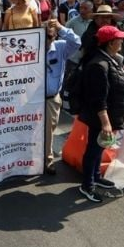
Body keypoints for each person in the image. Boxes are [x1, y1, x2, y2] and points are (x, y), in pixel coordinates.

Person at [77, 25, 124, 203]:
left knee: (100, 147)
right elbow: (98, 98)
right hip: (100, 118)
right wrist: (106, 123)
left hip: (110, 115)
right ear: (110, 43)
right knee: (93, 150)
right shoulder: (98, 65)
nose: (122, 41)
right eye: (119, 38)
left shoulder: (110, 60)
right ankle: (87, 185)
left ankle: (96, 176)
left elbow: (113, 81)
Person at [44, 18, 81, 175]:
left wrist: (60, 27)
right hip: (31, 100)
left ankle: (48, 161)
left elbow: (77, 42)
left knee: (48, 132)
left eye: (51, 36)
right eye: (44, 35)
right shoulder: (29, 49)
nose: (47, 39)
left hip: (51, 99)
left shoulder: (60, 48)